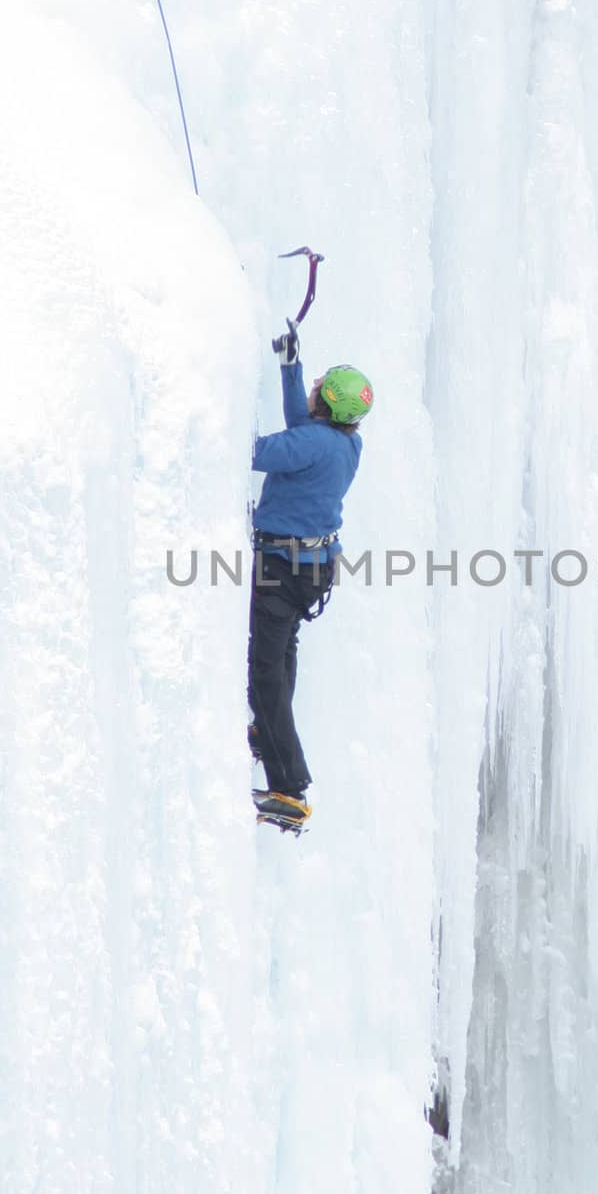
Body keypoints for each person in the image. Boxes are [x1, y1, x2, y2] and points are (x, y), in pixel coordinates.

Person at [248, 320, 374, 830]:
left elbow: (253, 452)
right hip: (312, 569)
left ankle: (289, 788)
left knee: (265, 674)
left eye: (321, 385)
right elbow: (305, 427)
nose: (316, 385)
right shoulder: (343, 444)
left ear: (327, 406)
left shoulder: (314, 445)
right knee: (281, 658)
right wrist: (292, 367)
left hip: (282, 567)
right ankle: (267, 736)